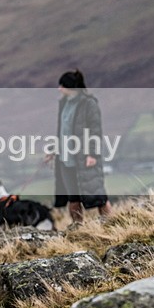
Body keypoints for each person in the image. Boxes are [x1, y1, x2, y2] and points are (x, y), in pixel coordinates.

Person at [45, 70, 112, 226]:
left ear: (71, 87)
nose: (59, 88)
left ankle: (111, 225)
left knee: (98, 196)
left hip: (84, 158)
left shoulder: (89, 104)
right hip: (66, 159)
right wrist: (53, 149)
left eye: (62, 85)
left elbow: (95, 130)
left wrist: (92, 154)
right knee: (73, 198)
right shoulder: (64, 103)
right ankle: (78, 229)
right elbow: (62, 130)